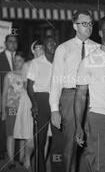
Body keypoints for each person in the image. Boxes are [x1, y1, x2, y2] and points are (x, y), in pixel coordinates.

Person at [49, 10, 99, 172]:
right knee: (70, 145)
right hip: (70, 98)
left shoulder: (98, 49)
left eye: (90, 23)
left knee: (90, 144)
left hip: (93, 100)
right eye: (84, 23)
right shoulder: (64, 49)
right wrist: (54, 110)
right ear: (74, 26)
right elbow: (56, 81)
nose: (89, 26)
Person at [74, 16, 105, 172]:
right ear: (100, 33)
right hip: (100, 119)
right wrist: (78, 126)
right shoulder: (89, 61)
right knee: (103, 166)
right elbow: (80, 96)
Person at [27, 36, 57, 172]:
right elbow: (29, 86)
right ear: (44, 46)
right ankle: (40, 169)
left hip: (56, 101)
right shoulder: (36, 62)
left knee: (57, 138)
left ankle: (57, 167)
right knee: (40, 139)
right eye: (50, 43)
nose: (53, 44)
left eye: (54, 42)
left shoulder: (59, 62)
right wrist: (34, 103)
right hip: (41, 100)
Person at [13, 40, 45, 170]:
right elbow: (26, 85)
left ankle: (41, 161)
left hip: (43, 100)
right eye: (36, 48)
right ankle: (27, 158)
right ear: (33, 50)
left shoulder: (48, 64)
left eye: (41, 48)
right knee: (29, 134)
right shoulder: (27, 65)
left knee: (43, 135)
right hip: (29, 102)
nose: (39, 50)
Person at [1, 51, 26, 169]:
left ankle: (21, 158)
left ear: (24, 62)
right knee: (10, 134)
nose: (17, 63)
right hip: (11, 108)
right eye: (15, 60)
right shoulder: (9, 75)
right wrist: (3, 111)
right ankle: (11, 160)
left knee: (22, 134)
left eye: (19, 60)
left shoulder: (27, 75)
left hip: (24, 109)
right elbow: (4, 94)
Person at [0, 34, 18, 160]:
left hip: (17, 100)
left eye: (15, 41)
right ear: (5, 43)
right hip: (2, 96)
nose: (13, 43)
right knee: (2, 124)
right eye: (10, 41)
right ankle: (1, 150)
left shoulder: (20, 57)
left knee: (14, 126)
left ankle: (14, 153)